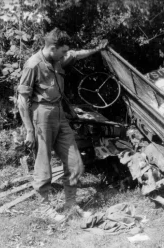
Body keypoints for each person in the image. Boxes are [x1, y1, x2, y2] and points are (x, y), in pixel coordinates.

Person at [17, 28, 108, 223]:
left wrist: (97, 49)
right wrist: (29, 130)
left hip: (59, 114)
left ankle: (70, 205)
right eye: (63, 51)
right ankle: (44, 209)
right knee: (43, 165)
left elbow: (76, 54)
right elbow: (22, 100)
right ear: (52, 48)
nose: (66, 54)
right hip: (41, 116)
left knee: (75, 162)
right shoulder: (33, 65)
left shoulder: (58, 59)